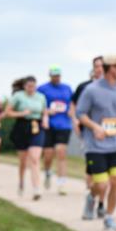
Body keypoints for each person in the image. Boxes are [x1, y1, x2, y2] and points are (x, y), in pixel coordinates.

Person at [76, 55, 116, 231]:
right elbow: (80, 113)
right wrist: (95, 127)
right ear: (112, 68)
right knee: (101, 185)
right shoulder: (91, 90)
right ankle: (91, 197)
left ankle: (109, 217)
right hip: (96, 146)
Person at [71, 56, 108, 217]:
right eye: (97, 66)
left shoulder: (112, 87)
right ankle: (92, 196)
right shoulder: (84, 87)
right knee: (92, 170)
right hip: (89, 133)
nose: (99, 69)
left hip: (108, 134)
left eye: (102, 66)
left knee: (108, 172)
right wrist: (75, 122)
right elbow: (74, 107)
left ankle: (101, 203)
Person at [7, 76, 49, 200]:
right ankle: (21, 182)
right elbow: (8, 112)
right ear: (24, 86)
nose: (31, 89)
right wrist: (21, 113)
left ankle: (37, 188)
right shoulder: (18, 96)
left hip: (36, 127)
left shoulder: (41, 97)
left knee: (35, 158)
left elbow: (44, 112)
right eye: (29, 86)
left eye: (33, 86)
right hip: (22, 126)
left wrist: (45, 120)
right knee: (23, 161)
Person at [38, 65, 74, 195]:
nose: (56, 78)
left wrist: (71, 111)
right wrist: (46, 111)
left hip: (64, 125)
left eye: (58, 75)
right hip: (48, 125)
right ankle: (48, 172)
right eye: (54, 76)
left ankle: (61, 183)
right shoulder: (42, 89)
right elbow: (36, 104)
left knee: (61, 152)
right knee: (48, 154)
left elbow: (73, 103)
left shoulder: (67, 88)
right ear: (50, 76)